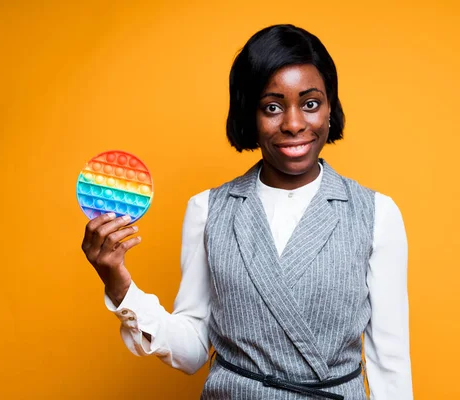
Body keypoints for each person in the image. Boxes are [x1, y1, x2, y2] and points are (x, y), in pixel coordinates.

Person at [81, 24, 413, 399]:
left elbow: (391, 363)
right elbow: (191, 351)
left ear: (330, 109)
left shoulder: (376, 214)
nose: (293, 123)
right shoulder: (207, 210)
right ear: (248, 116)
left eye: (310, 103)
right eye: (272, 107)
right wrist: (118, 282)